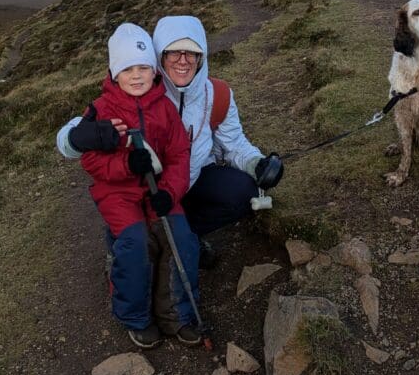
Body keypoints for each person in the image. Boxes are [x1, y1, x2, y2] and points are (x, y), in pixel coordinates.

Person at [58, 15, 283, 265]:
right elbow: (91, 120)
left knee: (242, 192)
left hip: (192, 178)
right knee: (135, 238)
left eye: (192, 53)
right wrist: (75, 137)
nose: (183, 61)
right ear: (159, 57)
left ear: (202, 57)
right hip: (143, 189)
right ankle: (133, 241)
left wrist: (257, 163)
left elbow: (234, 143)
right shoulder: (141, 88)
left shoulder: (217, 94)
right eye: (174, 52)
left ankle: (184, 235)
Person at [79, 22, 201, 349]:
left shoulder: (164, 107)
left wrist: (170, 193)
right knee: (135, 242)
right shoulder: (101, 111)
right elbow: (90, 161)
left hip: (159, 191)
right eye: (128, 68)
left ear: (154, 70)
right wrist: (124, 164)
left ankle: (177, 314)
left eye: (143, 68)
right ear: (114, 72)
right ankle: (135, 316)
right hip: (117, 194)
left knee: (182, 239)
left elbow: (178, 154)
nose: (136, 75)